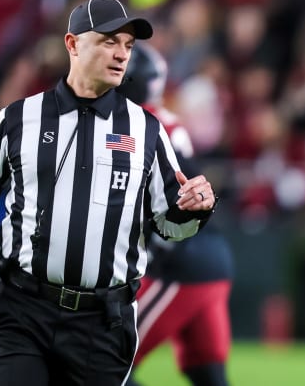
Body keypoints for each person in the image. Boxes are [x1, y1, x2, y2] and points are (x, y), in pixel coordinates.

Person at [0, 0, 217, 386]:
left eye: (128, 45)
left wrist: (194, 210)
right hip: (23, 311)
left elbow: (169, 224)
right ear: (72, 44)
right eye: (109, 41)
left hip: (103, 323)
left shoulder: (146, 129)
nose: (121, 53)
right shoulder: (20, 118)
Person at [117, 44, 233, 386]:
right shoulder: (164, 122)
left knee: (106, 362)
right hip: (209, 256)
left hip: (178, 261)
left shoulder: (133, 125)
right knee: (207, 374)